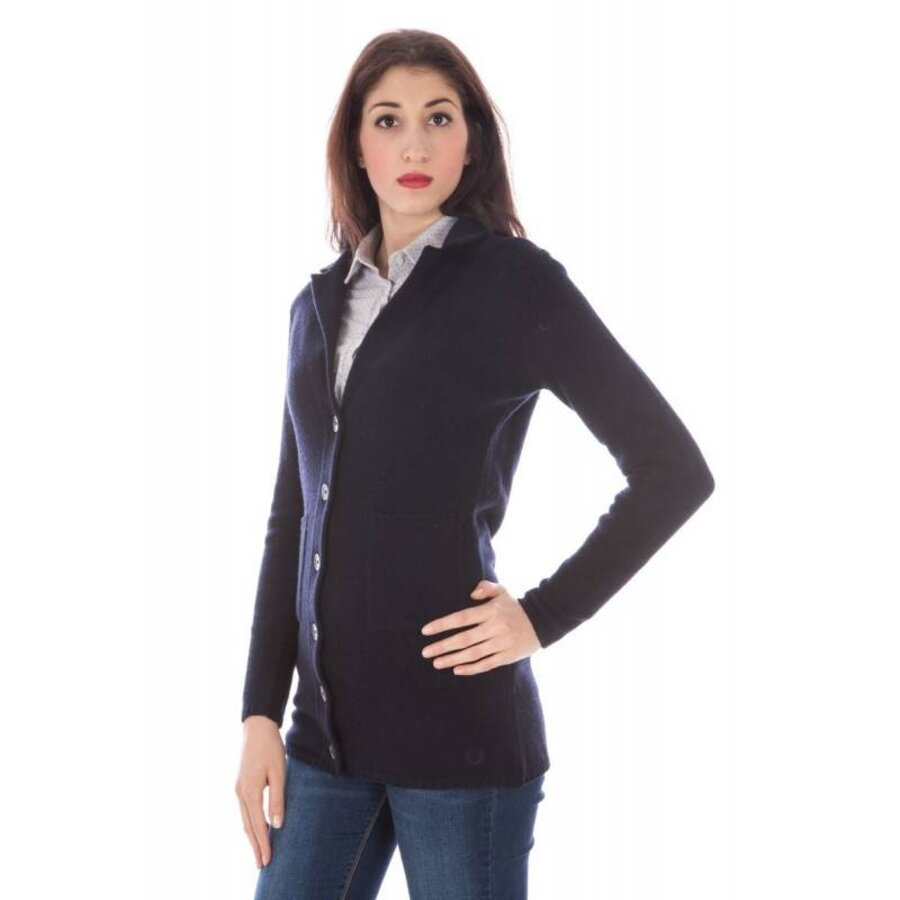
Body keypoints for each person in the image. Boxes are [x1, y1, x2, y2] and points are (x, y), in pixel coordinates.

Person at [235, 29, 715, 900]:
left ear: (471, 142)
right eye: (389, 120)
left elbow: (672, 469)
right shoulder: (315, 307)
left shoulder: (515, 284)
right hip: (323, 744)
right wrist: (259, 711)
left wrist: (541, 617)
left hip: (460, 743)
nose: (414, 145)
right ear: (357, 144)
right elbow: (292, 518)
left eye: (439, 118)